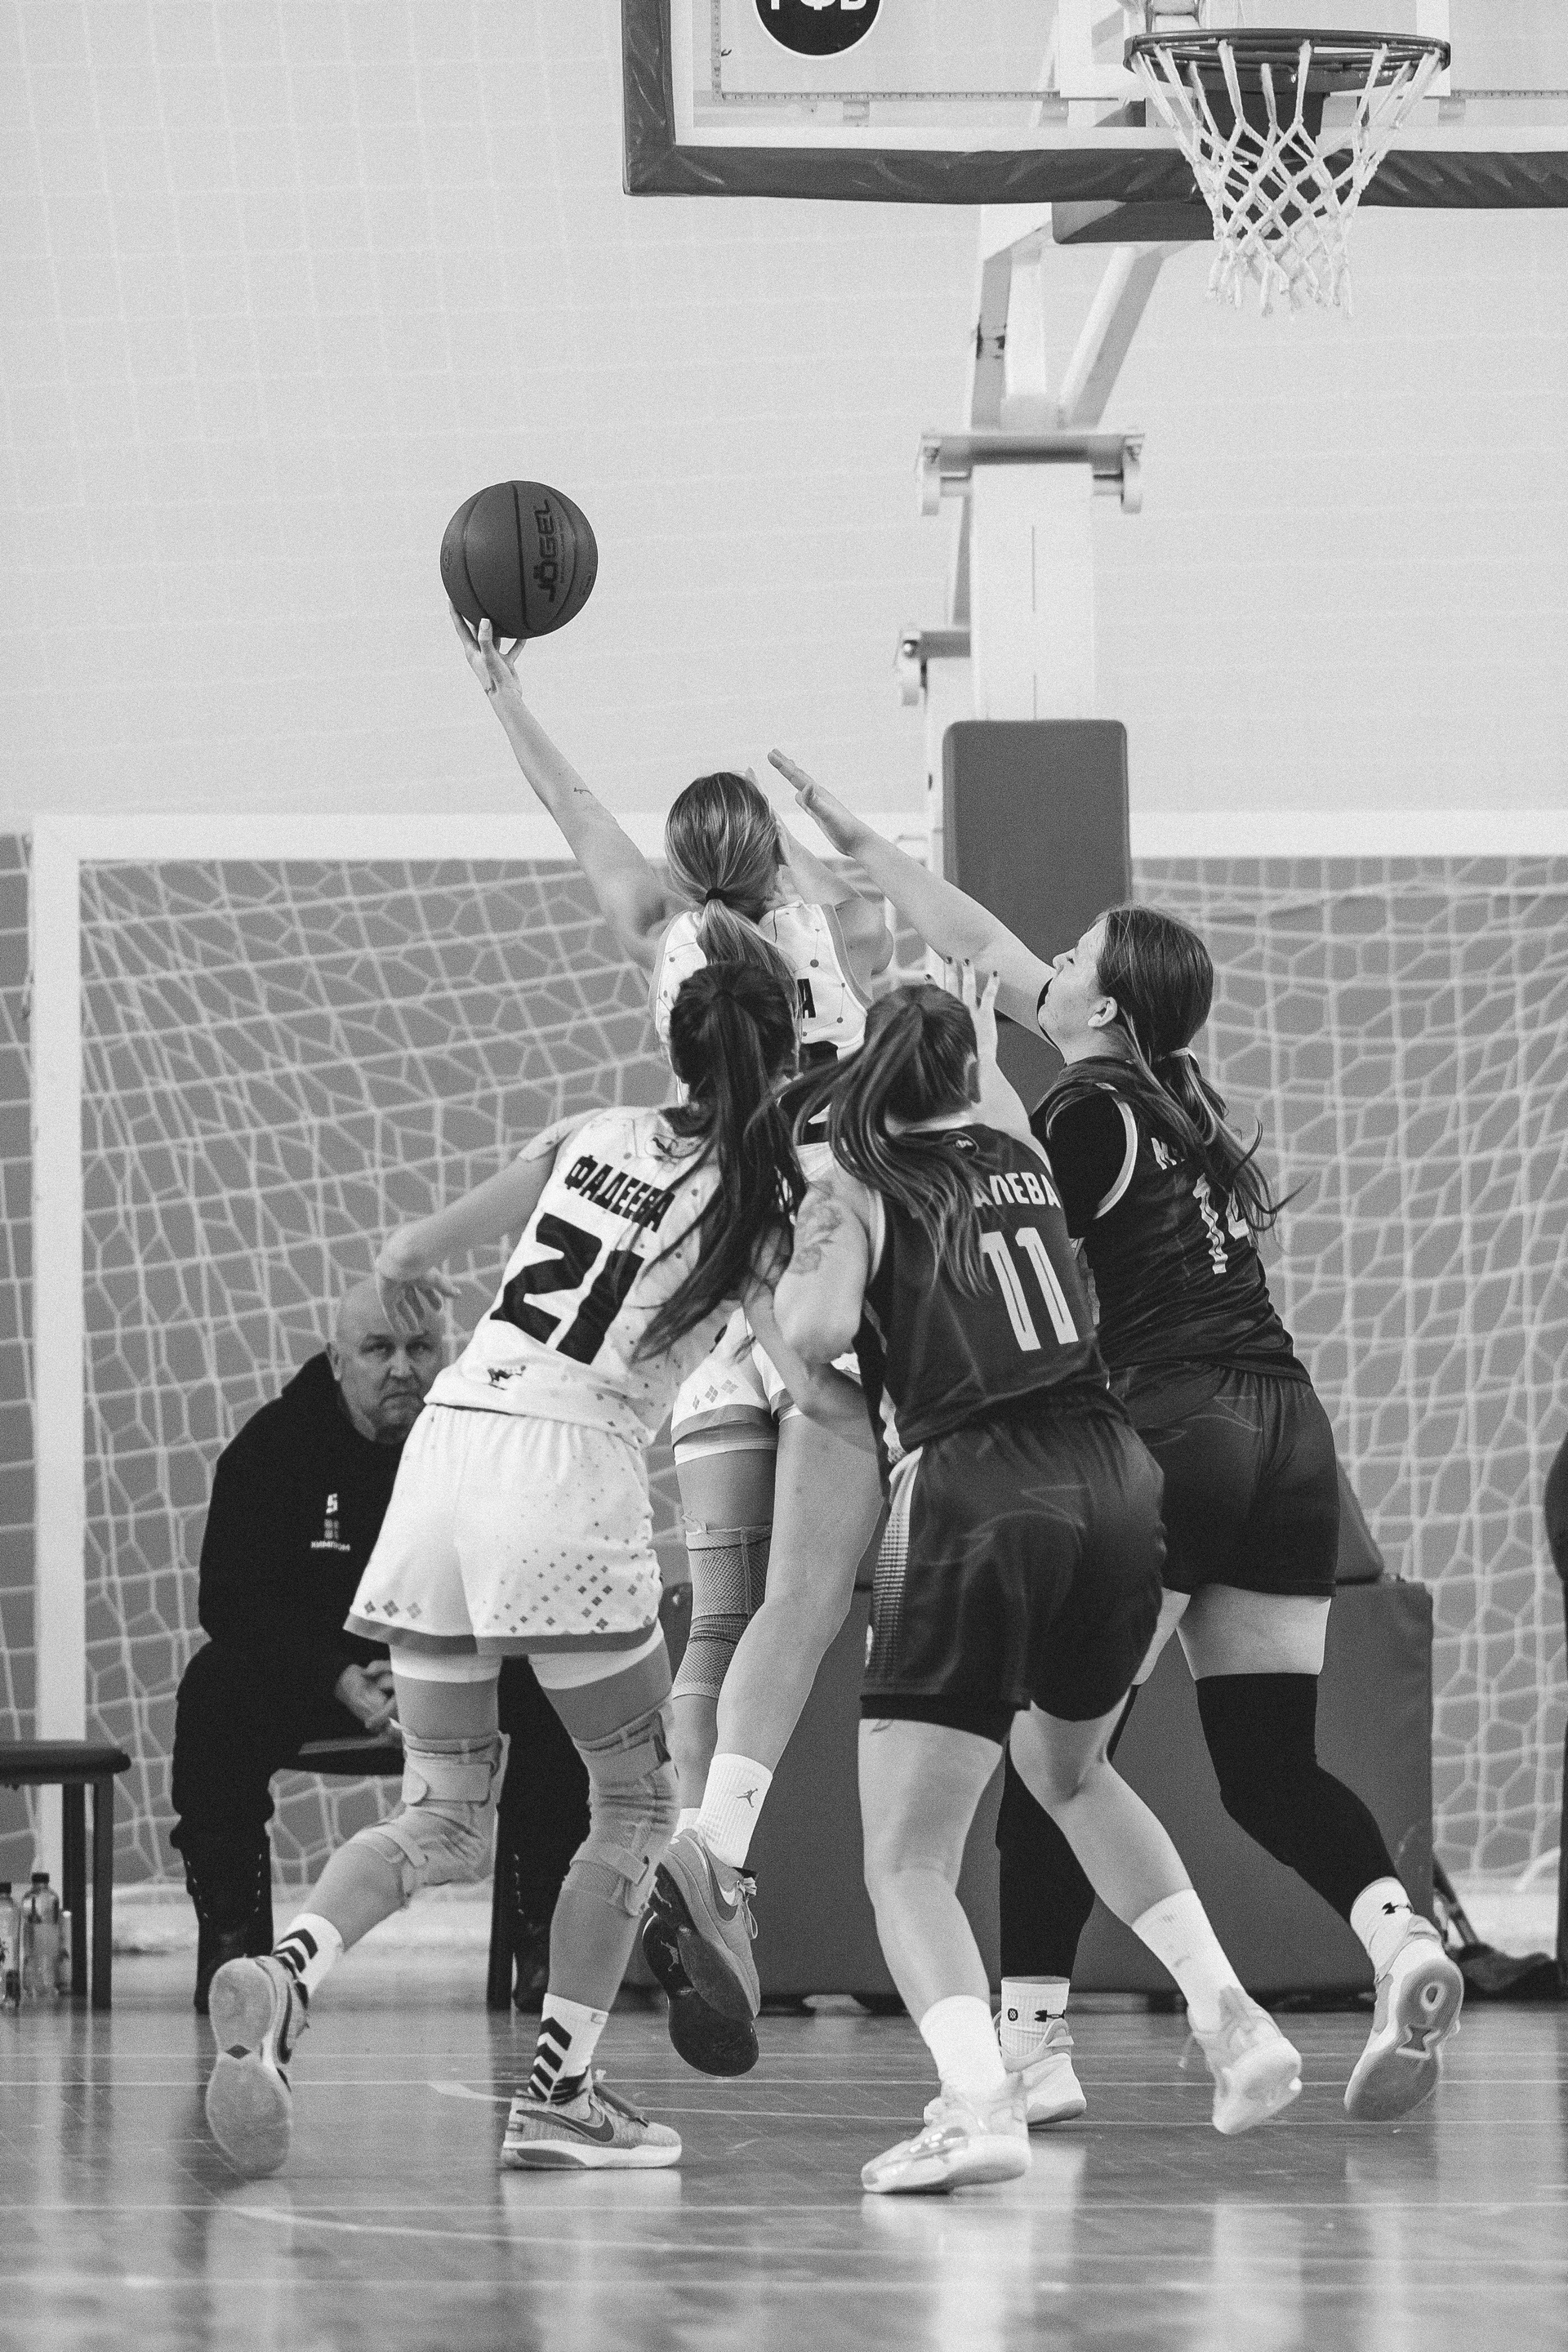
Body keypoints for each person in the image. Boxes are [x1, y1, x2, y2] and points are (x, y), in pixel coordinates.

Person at [780, 752, 1465, 2127]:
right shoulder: (1174, 1105)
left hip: (1179, 1425)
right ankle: (1400, 1939)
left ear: (1098, 1004)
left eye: (1073, 956)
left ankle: (1033, 2043)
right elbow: (980, 940)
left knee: (1057, 1750)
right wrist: (871, 852)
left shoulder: (1082, 1116)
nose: (1047, 963)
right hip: (1290, 1435)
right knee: (1268, 1765)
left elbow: (991, 1144)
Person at [201, 955, 804, 2179]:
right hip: (566, 1470)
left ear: (676, 1046)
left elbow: (404, 1252)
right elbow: (811, 1366)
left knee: (441, 1810)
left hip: (449, 1447)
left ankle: (291, 1969)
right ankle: (559, 2096)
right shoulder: (762, 1203)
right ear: (788, 1059)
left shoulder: (593, 1133)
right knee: (637, 1805)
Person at [768, 978, 1302, 2191]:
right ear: (966, 1074)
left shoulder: (856, 1181)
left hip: (977, 1484)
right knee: (1069, 1769)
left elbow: (814, 1333)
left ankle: (978, 2106)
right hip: (1116, 1476)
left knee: (908, 1860)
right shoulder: (1020, 1152)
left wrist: (770, 1258)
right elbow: (990, 1079)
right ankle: (1232, 2022)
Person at [448, 614, 889, 2071]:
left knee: (719, 1619)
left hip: (708, 1274)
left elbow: (575, 808)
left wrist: (506, 694)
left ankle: (705, 1868)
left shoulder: (671, 940)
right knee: (827, 1600)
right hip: (822, 1280)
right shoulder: (836, 933)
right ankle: (738, 1861)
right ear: (768, 856)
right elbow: (869, 900)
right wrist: (814, 831)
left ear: (689, 869)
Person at [170, 1280, 588, 2013]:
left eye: (419, 1348)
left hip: (457, 1670)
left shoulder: (484, 1442)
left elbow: (527, 1579)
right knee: (214, 1689)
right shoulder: (273, 1446)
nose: (402, 1368)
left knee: (559, 1690)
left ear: (444, 1355)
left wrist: (434, 1665)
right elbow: (230, 1601)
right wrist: (333, 1674)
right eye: (378, 1349)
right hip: (317, 1680)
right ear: (337, 1361)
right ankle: (235, 1945)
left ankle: (541, 1936)